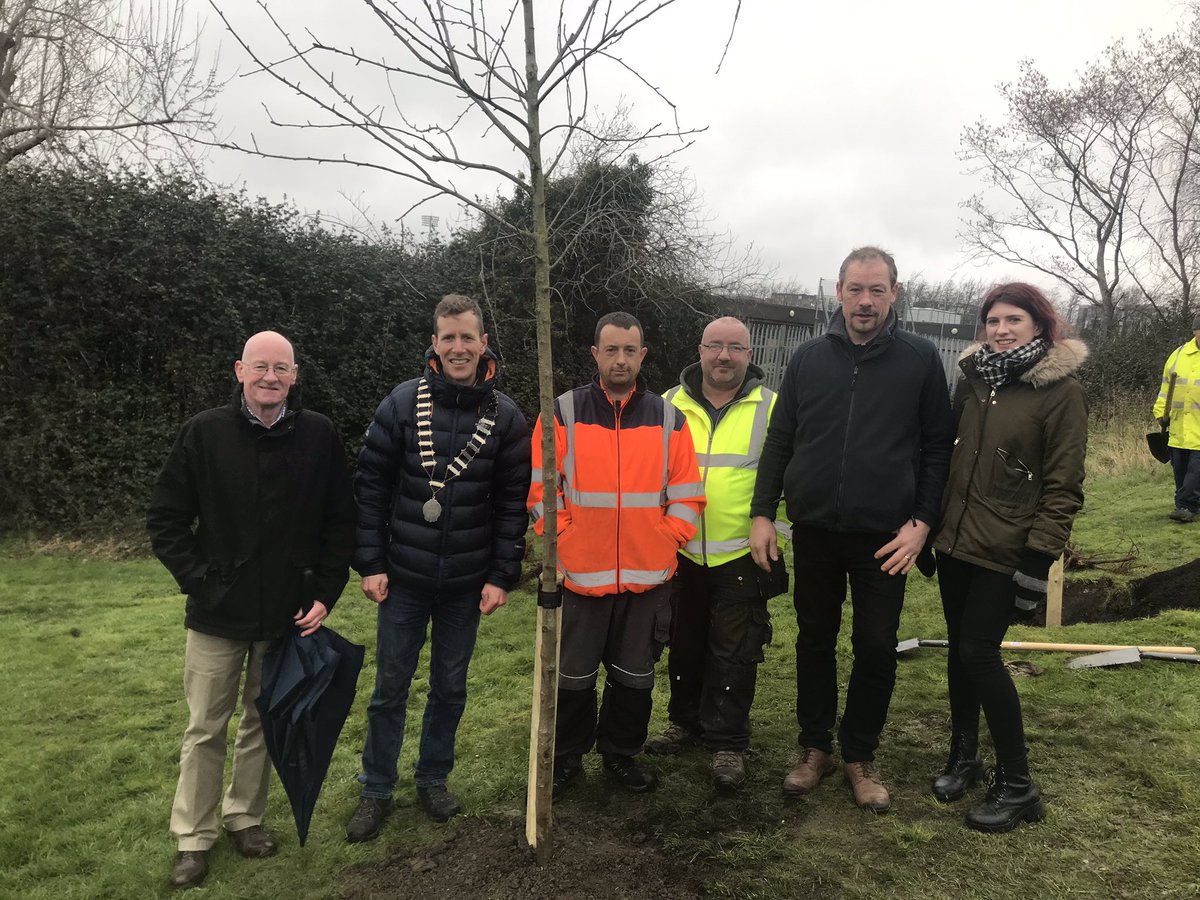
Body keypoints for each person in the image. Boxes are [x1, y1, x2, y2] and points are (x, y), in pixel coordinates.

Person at [749, 246, 955, 813]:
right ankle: (815, 748)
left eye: (877, 290)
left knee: (875, 647)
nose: (865, 301)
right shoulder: (809, 359)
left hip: (886, 538)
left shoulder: (920, 360)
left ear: (895, 293)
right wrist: (763, 512)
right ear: (838, 292)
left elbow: (939, 448)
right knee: (814, 640)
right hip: (813, 529)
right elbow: (781, 439)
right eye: (855, 289)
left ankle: (859, 754)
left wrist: (923, 524)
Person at [148, 330, 356, 890]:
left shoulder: (318, 436)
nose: (271, 377)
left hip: (287, 613)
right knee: (204, 728)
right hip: (217, 613)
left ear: (294, 376)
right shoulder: (204, 433)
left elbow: (341, 522)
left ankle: (246, 818)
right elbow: (166, 520)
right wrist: (199, 581)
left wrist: (324, 593)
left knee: (263, 722)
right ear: (239, 370)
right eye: (260, 366)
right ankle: (193, 838)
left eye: (281, 368)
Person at [345, 294, 531, 842]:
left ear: (483, 344)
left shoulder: (506, 417)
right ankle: (375, 788)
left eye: (467, 337)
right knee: (389, 689)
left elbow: (510, 505)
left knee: (450, 689)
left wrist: (501, 575)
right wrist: (371, 563)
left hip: (466, 585)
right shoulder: (401, 404)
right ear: (434, 343)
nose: (457, 347)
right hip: (402, 579)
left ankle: (432, 778)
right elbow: (371, 490)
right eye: (447, 337)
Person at [929, 283, 1087, 832]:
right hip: (957, 543)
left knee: (979, 653)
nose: (1000, 330)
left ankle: (1018, 785)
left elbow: (1064, 487)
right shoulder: (974, 383)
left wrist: (1038, 561)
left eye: (1013, 320)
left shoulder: (1059, 393)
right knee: (959, 651)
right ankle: (965, 757)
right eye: (992, 320)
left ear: (1039, 326)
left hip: (1007, 547)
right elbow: (949, 455)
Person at [529, 311, 705, 799]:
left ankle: (620, 754)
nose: (621, 359)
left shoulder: (670, 418)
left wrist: (667, 537)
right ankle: (566, 760)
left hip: (648, 579)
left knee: (634, 678)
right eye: (612, 350)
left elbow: (688, 494)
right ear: (596, 354)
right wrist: (565, 540)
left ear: (642, 355)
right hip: (581, 576)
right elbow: (542, 493)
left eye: (630, 350)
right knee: (572, 678)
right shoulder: (561, 412)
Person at [644, 316, 788, 791]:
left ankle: (727, 742)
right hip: (679, 552)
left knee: (735, 650)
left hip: (742, 555)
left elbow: (789, 475)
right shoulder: (667, 404)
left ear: (749, 354)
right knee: (682, 643)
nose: (724, 356)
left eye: (735, 348)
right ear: (700, 350)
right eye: (715, 346)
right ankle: (685, 723)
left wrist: (772, 526)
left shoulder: (772, 407)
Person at [1153, 312, 1200, 523]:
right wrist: (1160, 413)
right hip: (1179, 426)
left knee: (1195, 472)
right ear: (1194, 331)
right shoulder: (1179, 355)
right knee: (1180, 471)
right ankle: (1189, 504)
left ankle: (1186, 506)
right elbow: (1166, 388)